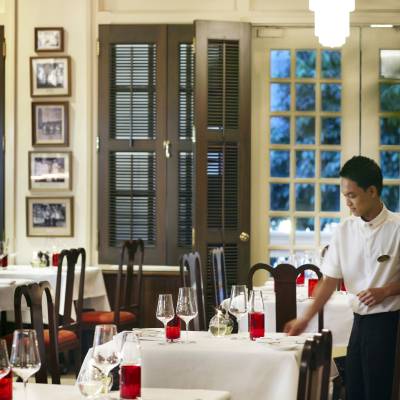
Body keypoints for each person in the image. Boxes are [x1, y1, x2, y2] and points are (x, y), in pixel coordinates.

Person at [284, 155, 400, 400]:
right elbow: (328, 282)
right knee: (355, 393)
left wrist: (386, 291)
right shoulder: (344, 231)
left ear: (372, 191)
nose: (347, 203)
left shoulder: (398, 227)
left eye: (352, 196)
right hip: (358, 325)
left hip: (391, 326)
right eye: (344, 195)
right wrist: (304, 319)